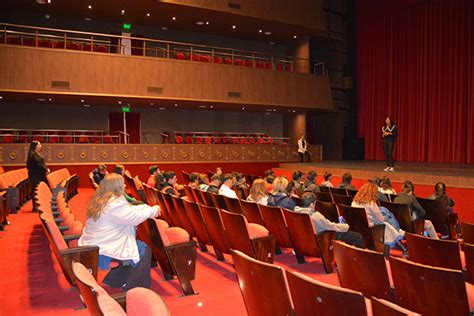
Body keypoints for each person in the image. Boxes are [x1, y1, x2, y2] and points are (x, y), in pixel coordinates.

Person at [78, 173, 160, 291]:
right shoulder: (114, 204)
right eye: (122, 184)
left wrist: (146, 208)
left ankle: (115, 280)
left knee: (134, 249)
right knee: (144, 250)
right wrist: (154, 210)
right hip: (104, 245)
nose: (125, 185)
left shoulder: (102, 199)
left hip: (96, 241)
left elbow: (129, 210)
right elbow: (133, 218)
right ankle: (136, 288)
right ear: (117, 187)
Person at [294, 192, 365, 248]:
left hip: (306, 240)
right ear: (312, 204)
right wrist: (345, 226)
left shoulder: (295, 213)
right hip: (323, 238)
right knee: (357, 236)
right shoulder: (315, 216)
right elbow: (332, 227)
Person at [351, 181, 405, 247]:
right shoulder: (371, 203)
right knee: (388, 217)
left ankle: (397, 234)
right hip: (372, 227)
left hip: (359, 226)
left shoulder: (354, 202)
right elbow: (381, 220)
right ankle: (398, 233)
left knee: (385, 215)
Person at [26, 141, 49, 211]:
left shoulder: (36, 154)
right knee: (36, 190)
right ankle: (35, 207)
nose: (40, 146)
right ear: (35, 146)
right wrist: (46, 169)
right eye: (39, 144)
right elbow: (39, 164)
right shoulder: (33, 155)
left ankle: (39, 205)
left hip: (39, 175)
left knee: (39, 190)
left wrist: (46, 169)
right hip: (35, 176)